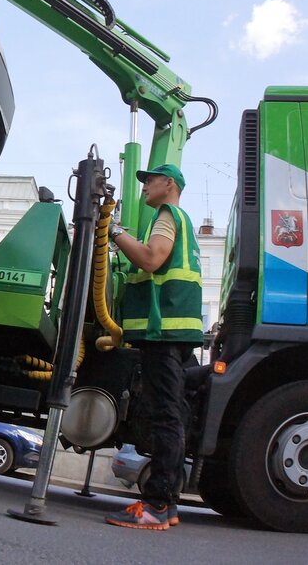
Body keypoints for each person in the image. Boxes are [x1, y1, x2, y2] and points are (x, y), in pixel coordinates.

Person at [104, 163, 203, 531]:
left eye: (150, 180)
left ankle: (156, 506)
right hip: (175, 332)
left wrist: (113, 231)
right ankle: (168, 505)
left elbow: (151, 259)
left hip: (162, 332)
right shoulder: (182, 221)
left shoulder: (166, 215)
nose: (144, 186)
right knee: (171, 414)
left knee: (165, 416)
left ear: (169, 184)